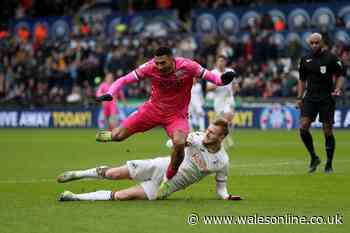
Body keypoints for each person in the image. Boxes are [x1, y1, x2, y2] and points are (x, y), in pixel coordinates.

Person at [95, 47, 237, 193]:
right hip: (152, 109)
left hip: (176, 116)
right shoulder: (149, 67)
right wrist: (110, 93)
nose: (159, 66)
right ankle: (109, 135)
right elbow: (124, 79)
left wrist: (222, 80)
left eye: (163, 63)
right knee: (118, 136)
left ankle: (168, 179)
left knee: (180, 142)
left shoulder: (188, 66)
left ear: (172, 59)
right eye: (157, 63)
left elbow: (212, 78)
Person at [57, 118, 242, 201]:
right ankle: (78, 174)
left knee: (123, 196)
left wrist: (226, 196)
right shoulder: (196, 137)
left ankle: (74, 197)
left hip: (167, 186)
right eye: (208, 130)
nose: (207, 135)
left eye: (212, 133)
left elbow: (221, 186)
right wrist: (181, 143)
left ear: (221, 138)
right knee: (113, 174)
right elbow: (169, 144)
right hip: (159, 166)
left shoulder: (222, 161)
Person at [297, 33, 345, 173]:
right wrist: (300, 98)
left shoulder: (331, 58)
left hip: (326, 97)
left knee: (327, 130)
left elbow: (341, 74)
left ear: (322, 42)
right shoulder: (305, 60)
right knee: (303, 127)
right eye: (311, 43)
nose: (314, 45)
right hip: (310, 97)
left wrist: (337, 88)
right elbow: (301, 79)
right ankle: (313, 157)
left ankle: (329, 164)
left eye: (316, 43)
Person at [207, 55, 239, 148]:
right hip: (218, 100)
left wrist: (235, 89)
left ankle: (224, 139)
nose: (221, 63)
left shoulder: (230, 72)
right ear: (216, 63)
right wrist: (220, 82)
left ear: (225, 62)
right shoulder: (213, 73)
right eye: (219, 61)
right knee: (221, 122)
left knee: (228, 116)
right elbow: (208, 88)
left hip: (228, 99)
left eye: (222, 61)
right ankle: (224, 139)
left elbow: (235, 85)